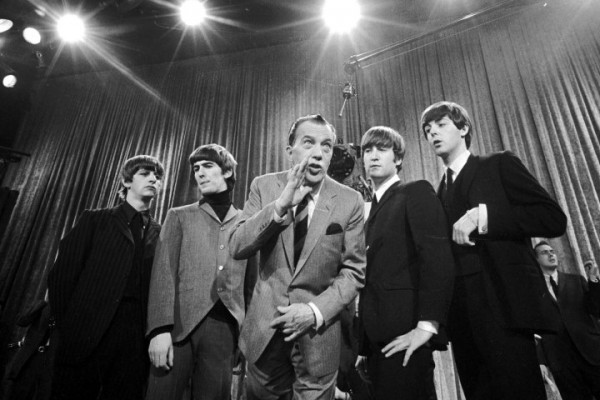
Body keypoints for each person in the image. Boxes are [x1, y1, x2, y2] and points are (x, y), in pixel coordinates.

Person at [421, 101, 567, 400]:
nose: (432, 132)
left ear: (464, 128)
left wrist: (484, 217)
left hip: (505, 308)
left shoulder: (498, 164)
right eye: (427, 129)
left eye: (441, 124)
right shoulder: (438, 192)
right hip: (462, 318)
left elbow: (553, 218)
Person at [230, 114, 366, 400]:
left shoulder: (349, 200)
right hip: (265, 334)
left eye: (326, 146)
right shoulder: (264, 186)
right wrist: (279, 207)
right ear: (289, 150)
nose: (318, 153)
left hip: (318, 336)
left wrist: (313, 312)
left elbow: (354, 272)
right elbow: (238, 246)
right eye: (308, 143)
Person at [47, 155, 164, 400]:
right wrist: (69, 324)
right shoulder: (95, 219)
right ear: (126, 181)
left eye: (157, 176)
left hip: (133, 337)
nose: (153, 179)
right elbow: (62, 276)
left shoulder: (161, 233)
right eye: (145, 173)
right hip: (85, 331)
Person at [144, 144, 253, 400]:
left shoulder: (247, 222)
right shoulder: (179, 216)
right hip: (177, 329)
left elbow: (252, 286)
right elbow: (163, 276)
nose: (200, 173)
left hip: (225, 331)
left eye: (208, 166)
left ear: (227, 172)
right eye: (196, 168)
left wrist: (245, 338)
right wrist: (158, 330)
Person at [356, 126, 454, 400]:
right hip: (377, 345)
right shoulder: (370, 213)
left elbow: (437, 258)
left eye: (382, 149)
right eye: (367, 150)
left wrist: (427, 326)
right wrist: (364, 347)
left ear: (398, 158)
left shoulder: (415, 192)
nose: (373, 155)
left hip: (407, 334)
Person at [534, 241, 600, 400]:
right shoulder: (532, 291)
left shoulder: (576, 280)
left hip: (592, 354)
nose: (551, 254)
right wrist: (541, 361)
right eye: (544, 252)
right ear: (535, 260)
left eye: (552, 251)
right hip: (561, 362)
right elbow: (536, 330)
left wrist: (594, 282)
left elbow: (596, 309)